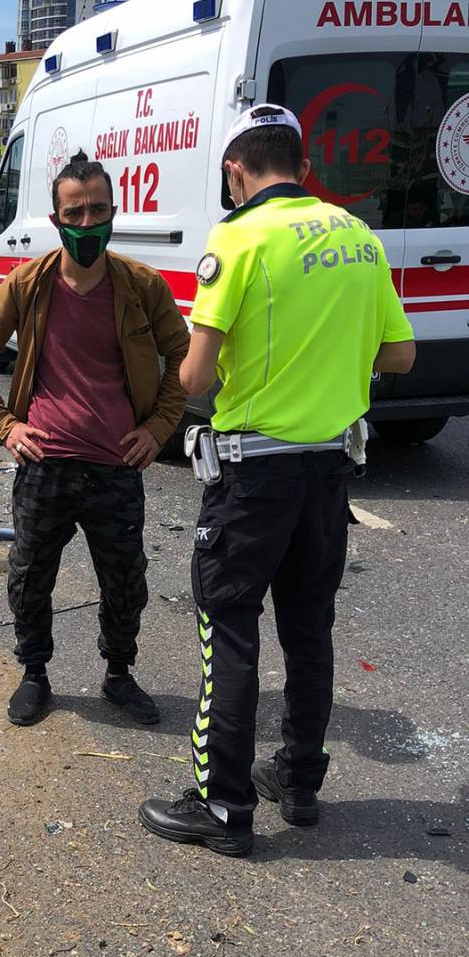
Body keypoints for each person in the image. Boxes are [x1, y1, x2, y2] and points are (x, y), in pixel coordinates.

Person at [138, 105, 415, 858]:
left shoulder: (238, 238)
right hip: (330, 469)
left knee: (228, 629)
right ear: (300, 162)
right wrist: (330, 357)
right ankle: (298, 780)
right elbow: (399, 356)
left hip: (252, 474)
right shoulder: (357, 236)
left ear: (236, 170)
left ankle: (223, 809)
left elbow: (195, 373)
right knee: (308, 627)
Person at [0, 153, 189, 727]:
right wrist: (7, 426)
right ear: (57, 218)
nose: (88, 223)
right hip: (47, 464)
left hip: (116, 465)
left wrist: (158, 429)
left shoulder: (141, 286)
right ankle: (34, 673)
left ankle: (118, 674)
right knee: (30, 577)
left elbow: (183, 359)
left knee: (125, 583)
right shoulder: (29, 283)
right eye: (75, 212)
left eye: (98, 210)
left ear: (115, 210)